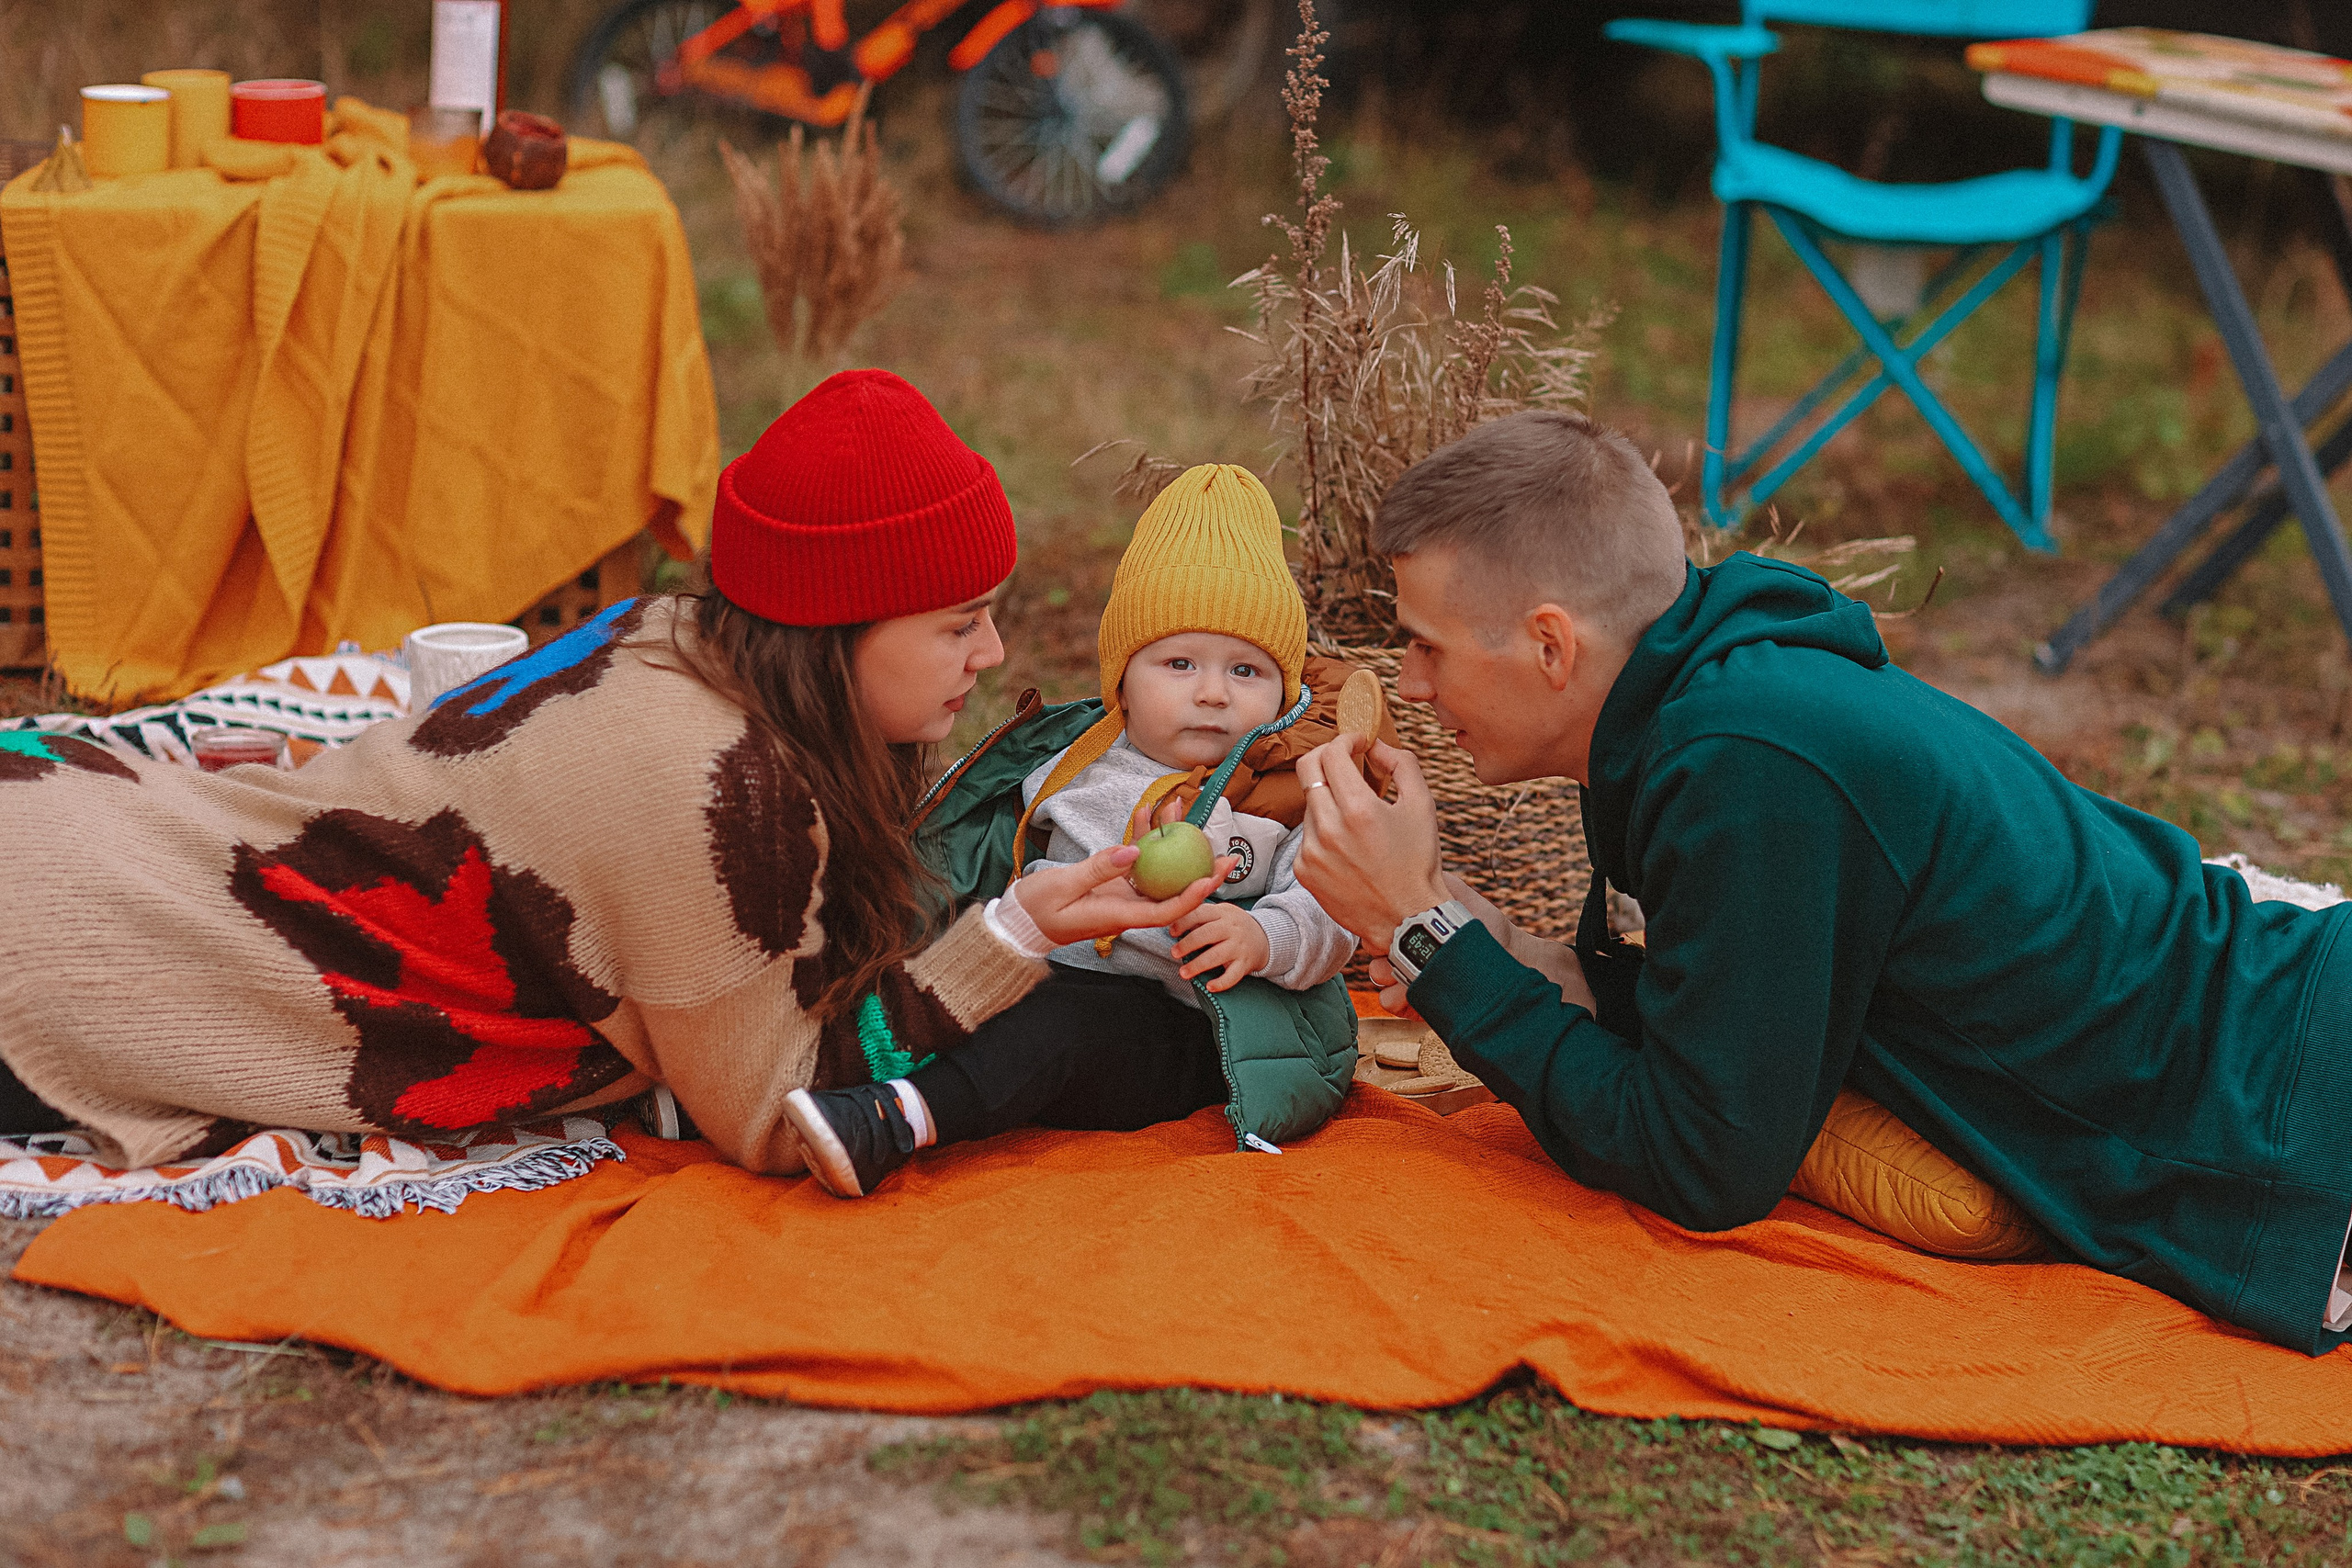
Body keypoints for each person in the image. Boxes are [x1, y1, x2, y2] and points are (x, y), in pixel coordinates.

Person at [1292, 408, 2352, 1357]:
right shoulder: (1719, 695)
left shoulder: (1747, 764)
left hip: (2288, 1109)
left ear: (1550, 645)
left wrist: (1426, 937)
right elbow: (1746, 1007)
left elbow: (1704, 1163)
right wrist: (1519, 957)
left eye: (1425, 648)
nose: (1411, 687)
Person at [0, 369, 1227, 1179]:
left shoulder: (674, 630)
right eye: (960, 621)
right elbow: (770, 1112)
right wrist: (1012, 928)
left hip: (94, 839)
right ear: (840, 620)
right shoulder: (716, 788)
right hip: (81, 962)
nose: (995, 652)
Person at [782, 463, 1358, 1198]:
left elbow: (1331, 912)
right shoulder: (1066, 765)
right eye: (1179, 662)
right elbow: (977, 849)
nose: (1212, 692)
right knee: (949, 996)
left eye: (1246, 671)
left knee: (1055, 1028)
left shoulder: (1284, 792)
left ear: (1283, 690)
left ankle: (895, 1124)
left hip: (1197, 1034)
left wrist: (1264, 938)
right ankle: (777, 1087)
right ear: (1122, 677)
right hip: (1042, 981)